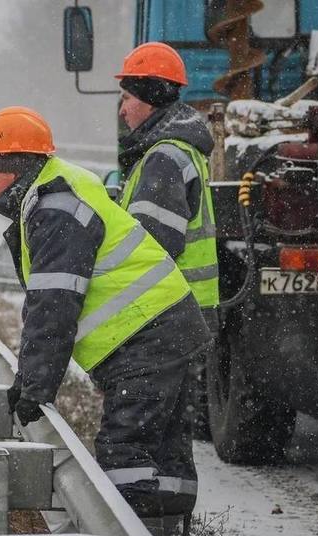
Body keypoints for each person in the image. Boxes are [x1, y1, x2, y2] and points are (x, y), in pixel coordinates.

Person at [0, 106, 210, 536]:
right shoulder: (56, 189)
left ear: (12, 167)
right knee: (166, 459)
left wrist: (35, 386)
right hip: (167, 330)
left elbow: (54, 305)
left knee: (126, 455)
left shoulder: (55, 207)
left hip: (147, 337)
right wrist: (32, 378)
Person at [115, 42, 219, 439]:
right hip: (187, 309)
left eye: (127, 97)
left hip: (166, 312)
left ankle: (142, 501)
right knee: (172, 428)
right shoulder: (180, 151)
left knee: (148, 431)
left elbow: (150, 249)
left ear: (149, 99)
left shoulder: (162, 158)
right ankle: (169, 500)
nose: (122, 110)